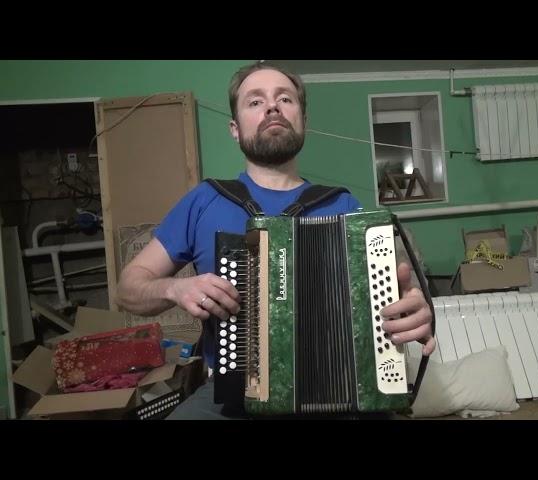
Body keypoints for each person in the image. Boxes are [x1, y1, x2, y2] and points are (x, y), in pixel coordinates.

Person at [116, 61, 435, 420]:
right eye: (255, 101)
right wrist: (175, 288)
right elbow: (128, 289)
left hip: (337, 391)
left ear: (303, 121)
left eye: (285, 99)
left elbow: (396, 300)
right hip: (233, 399)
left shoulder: (344, 207)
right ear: (235, 129)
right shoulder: (204, 201)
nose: (272, 107)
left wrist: (413, 311)